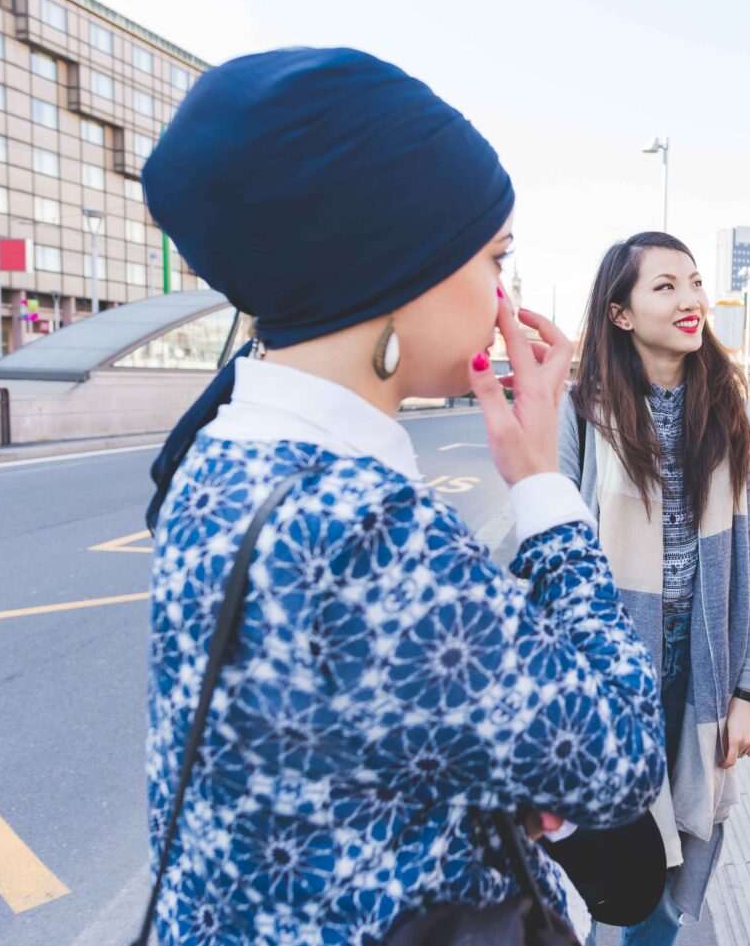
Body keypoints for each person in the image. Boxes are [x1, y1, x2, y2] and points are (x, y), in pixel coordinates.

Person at [140, 48, 665, 944]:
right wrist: (542, 483)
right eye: (495, 257)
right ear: (400, 269)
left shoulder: (214, 456)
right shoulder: (361, 527)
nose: (502, 292)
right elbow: (620, 754)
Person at [561, 232, 750, 944]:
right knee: (622, 873)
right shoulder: (584, 411)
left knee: (679, 863)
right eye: (664, 286)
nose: (690, 299)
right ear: (620, 313)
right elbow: (552, 554)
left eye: (693, 282)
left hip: (701, 669)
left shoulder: (730, 410)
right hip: (610, 674)